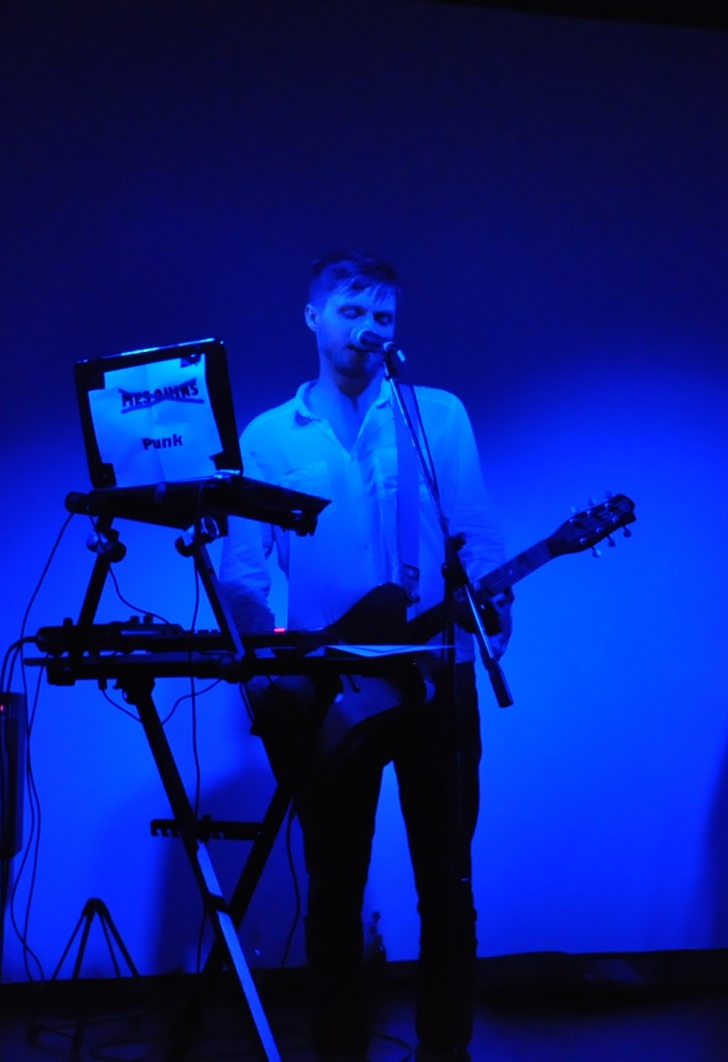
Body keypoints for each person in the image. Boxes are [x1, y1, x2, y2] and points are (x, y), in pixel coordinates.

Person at [219, 251, 510, 1062]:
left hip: (435, 672)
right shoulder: (269, 436)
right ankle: (338, 1048)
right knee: (335, 884)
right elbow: (243, 569)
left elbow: (475, 529)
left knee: (447, 879)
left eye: (383, 316)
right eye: (352, 312)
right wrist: (270, 667)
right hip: (328, 687)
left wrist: (498, 603)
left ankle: (446, 1048)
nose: (369, 329)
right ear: (312, 317)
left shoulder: (433, 416)